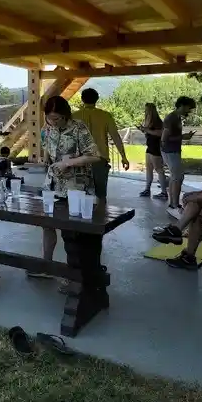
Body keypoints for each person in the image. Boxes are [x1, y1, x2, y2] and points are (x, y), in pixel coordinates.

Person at [30, 95, 101, 279]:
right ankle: (47, 265)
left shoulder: (78, 128)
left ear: (66, 115)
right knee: (47, 224)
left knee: (72, 231)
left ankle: (76, 276)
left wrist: (69, 163)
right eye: (49, 118)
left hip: (75, 186)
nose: (53, 122)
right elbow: (48, 146)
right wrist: (45, 160)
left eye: (57, 119)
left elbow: (94, 156)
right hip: (53, 183)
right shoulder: (48, 128)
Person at [74, 88, 129, 201]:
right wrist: (123, 157)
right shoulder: (105, 116)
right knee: (100, 195)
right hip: (100, 158)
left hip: (79, 160)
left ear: (82, 99)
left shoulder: (74, 116)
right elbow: (116, 137)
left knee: (79, 194)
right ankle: (102, 217)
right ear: (97, 99)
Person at [162, 96, 197, 220]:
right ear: (182, 105)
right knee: (178, 177)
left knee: (175, 177)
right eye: (189, 108)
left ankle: (173, 204)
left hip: (173, 151)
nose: (190, 111)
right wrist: (183, 137)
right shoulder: (171, 118)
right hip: (170, 151)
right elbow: (164, 139)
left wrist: (183, 137)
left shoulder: (176, 118)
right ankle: (174, 206)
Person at [139, 102, 167, 199]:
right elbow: (149, 133)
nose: (145, 111)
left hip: (156, 148)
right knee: (149, 170)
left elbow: (160, 133)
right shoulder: (149, 121)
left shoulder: (158, 122)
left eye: (147, 109)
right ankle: (147, 189)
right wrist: (144, 130)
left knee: (159, 170)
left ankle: (164, 193)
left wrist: (146, 130)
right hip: (149, 147)